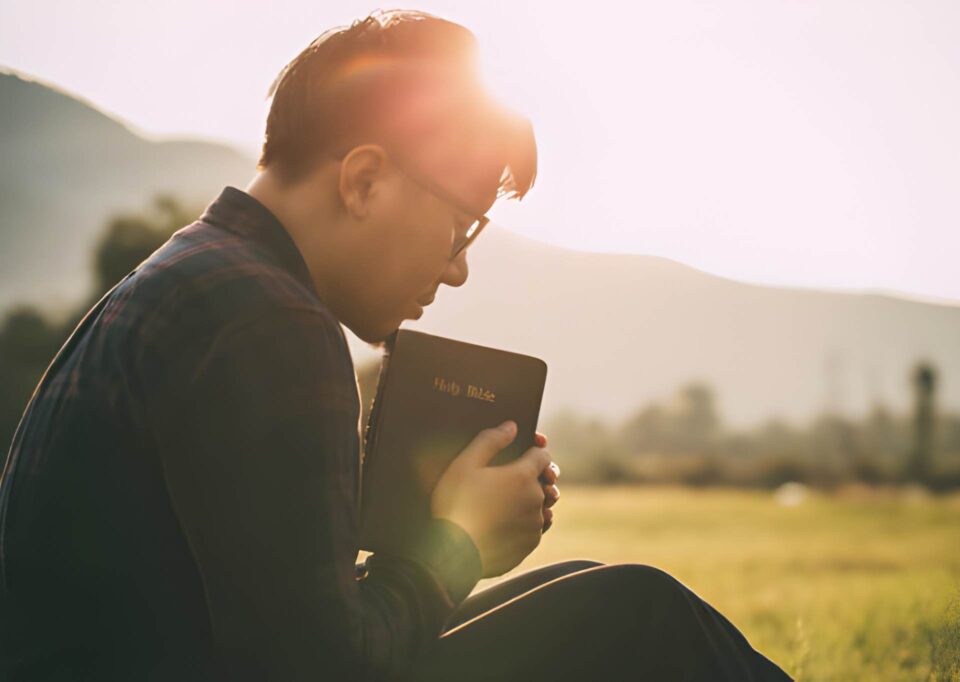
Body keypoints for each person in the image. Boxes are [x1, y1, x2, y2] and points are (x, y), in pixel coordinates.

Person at [0, 10, 791, 681]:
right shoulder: (268, 321)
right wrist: (454, 545)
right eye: (460, 224)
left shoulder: (200, 276)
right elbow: (321, 669)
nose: (457, 268)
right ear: (365, 180)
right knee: (636, 612)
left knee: (590, 584)